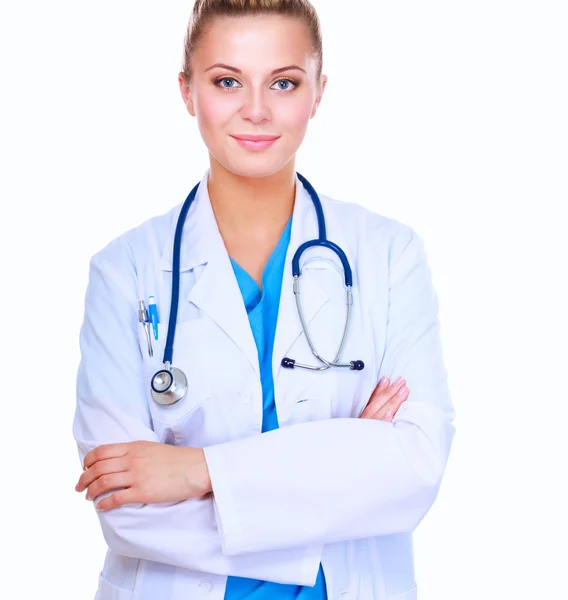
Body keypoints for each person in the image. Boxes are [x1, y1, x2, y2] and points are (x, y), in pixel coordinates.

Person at [72, 1, 456, 598]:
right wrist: (343, 470)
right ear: (186, 91)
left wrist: (196, 471)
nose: (256, 110)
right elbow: (125, 508)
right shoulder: (125, 270)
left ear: (319, 91)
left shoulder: (387, 255)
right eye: (227, 81)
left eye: (284, 82)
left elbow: (415, 467)